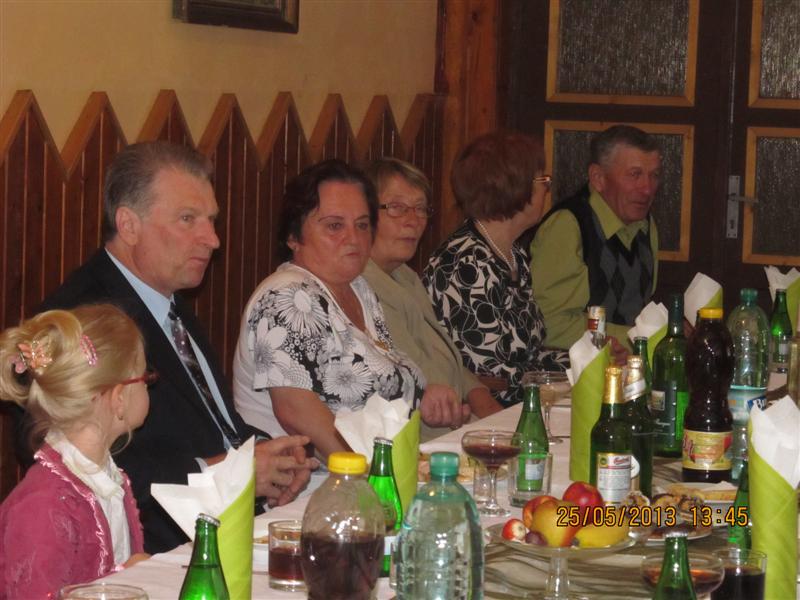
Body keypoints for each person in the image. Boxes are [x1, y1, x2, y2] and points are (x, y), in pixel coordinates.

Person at [39, 141, 315, 554]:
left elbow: (214, 428)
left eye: (211, 220)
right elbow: (66, 462)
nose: (213, 239)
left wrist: (273, 460)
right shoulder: (80, 316)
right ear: (129, 225)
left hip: (227, 527)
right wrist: (225, 474)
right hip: (153, 551)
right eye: (188, 219)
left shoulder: (167, 300)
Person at [233, 159, 469, 457]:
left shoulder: (358, 288)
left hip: (385, 464)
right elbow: (297, 412)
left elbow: (376, 381)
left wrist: (422, 397)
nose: (353, 238)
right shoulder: (288, 296)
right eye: (334, 226)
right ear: (293, 236)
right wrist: (370, 474)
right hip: (317, 479)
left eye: (362, 225)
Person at [0, 305, 149, 598]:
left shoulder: (107, 480)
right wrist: (127, 577)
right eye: (146, 377)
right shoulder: (43, 506)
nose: (148, 385)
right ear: (119, 398)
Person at [422, 131, 568, 407]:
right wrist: (568, 378)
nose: (547, 189)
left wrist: (590, 361)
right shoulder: (465, 264)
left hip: (520, 404)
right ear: (514, 187)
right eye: (542, 181)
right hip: (480, 412)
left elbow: (530, 356)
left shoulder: (513, 255)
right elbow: (493, 376)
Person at [361, 157, 503, 435]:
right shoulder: (363, 284)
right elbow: (418, 374)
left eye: (420, 209)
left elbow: (443, 357)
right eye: (397, 208)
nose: (413, 221)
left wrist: (480, 394)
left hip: (453, 423)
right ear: (364, 214)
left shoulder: (405, 276)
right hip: (416, 437)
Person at [530, 125, 661, 362]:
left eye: (654, 175)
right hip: (570, 375)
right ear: (598, 178)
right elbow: (549, 324)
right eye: (635, 175)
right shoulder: (568, 227)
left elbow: (639, 307)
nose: (647, 189)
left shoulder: (645, 225)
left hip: (625, 370)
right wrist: (637, 337)